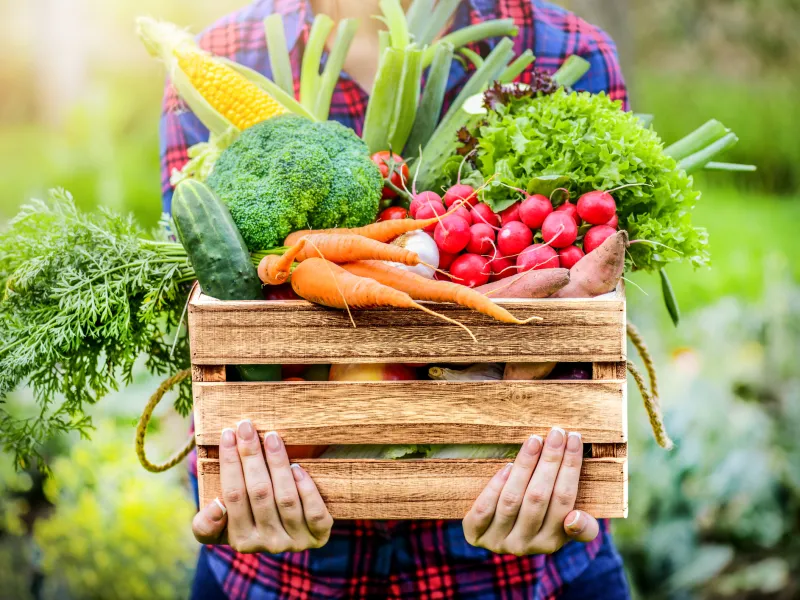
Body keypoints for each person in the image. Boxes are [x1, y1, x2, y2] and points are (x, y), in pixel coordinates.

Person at [160, 2, 630, 598]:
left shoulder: (571, 49)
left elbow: (595, 322)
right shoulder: (217, 55)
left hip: (527, 575)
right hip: (280, 580)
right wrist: (235, 476)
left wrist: (563, 474)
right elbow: (205, 313)